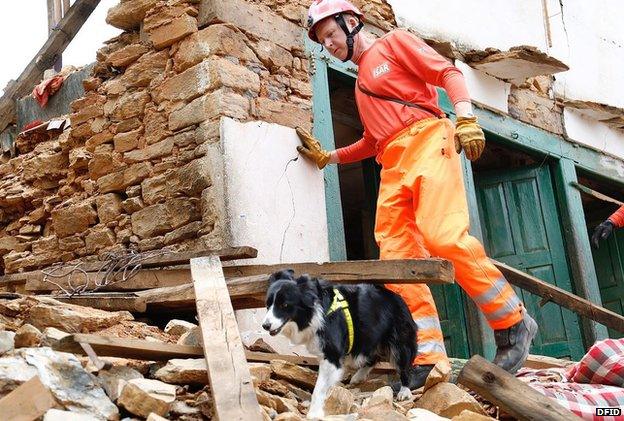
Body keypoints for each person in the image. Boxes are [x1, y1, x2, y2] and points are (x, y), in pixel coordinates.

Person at [296, 0, 538, 389]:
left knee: (442, 235)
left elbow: (448, 73)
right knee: (396, 262)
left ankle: (512, 322)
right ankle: (427, 355)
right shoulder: (360, 85)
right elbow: (372, 140)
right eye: (322, 40)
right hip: (393, 162)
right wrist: (329, 157)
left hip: (428, 140)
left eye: (330, 34)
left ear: (352, 22)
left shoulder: (394, 43)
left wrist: (466, 117)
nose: (328, 45)